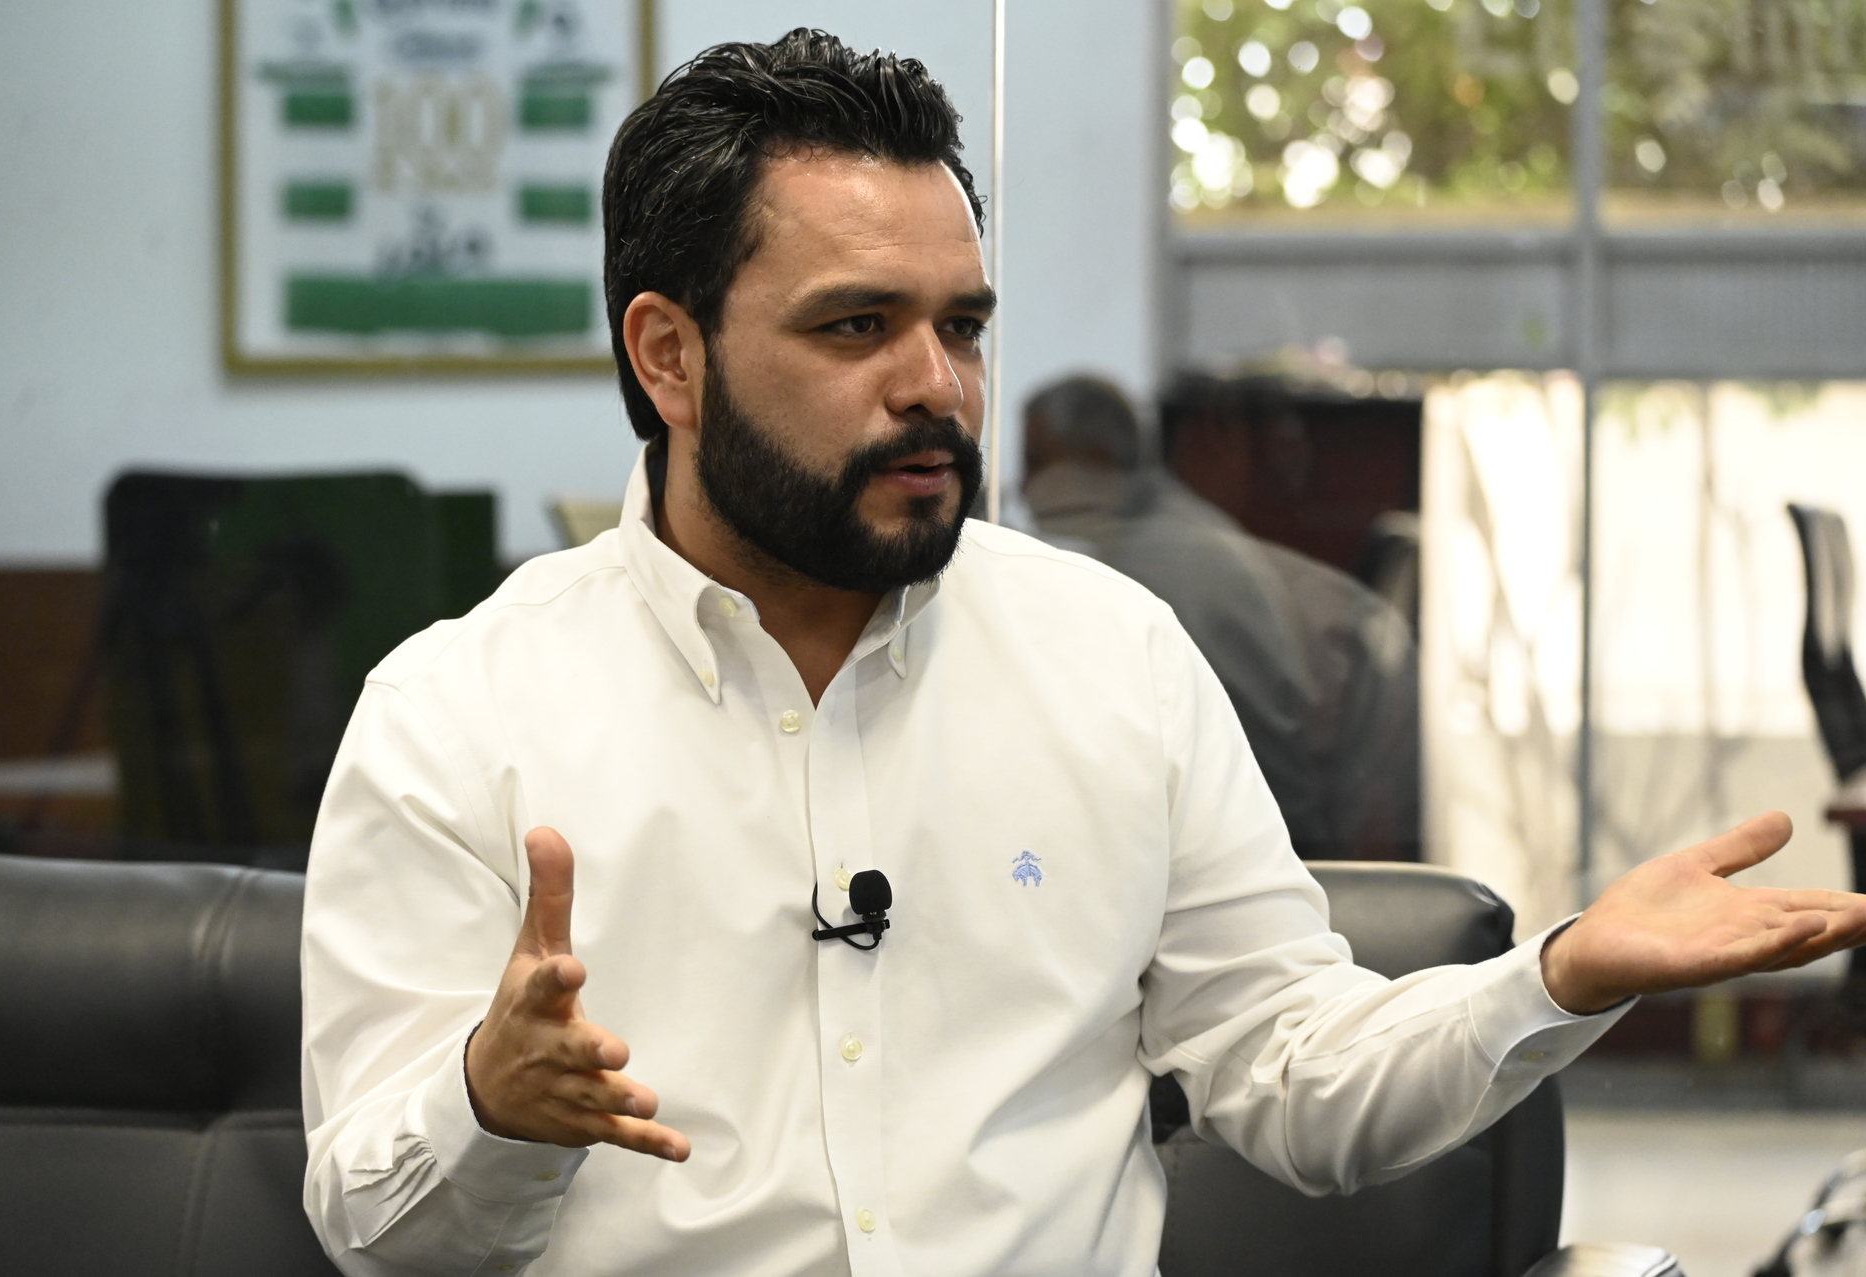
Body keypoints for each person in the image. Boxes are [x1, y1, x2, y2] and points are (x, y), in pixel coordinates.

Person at [300, 30, 1866, 1277]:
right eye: (856, 327)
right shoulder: (462, 714)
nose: (937, 385)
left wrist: (1558, 977)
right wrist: (494, 1105)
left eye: (963, 325)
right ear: (669, 355)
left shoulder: (1112, 659)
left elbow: (1297, 1071)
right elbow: (373, 1229)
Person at [1022, 374, 1418, 861]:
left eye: (1035, 461)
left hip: (1251, 847)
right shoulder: (1165, 538)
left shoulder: (1161, 565)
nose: (1022, 486)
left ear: (1097, 461)